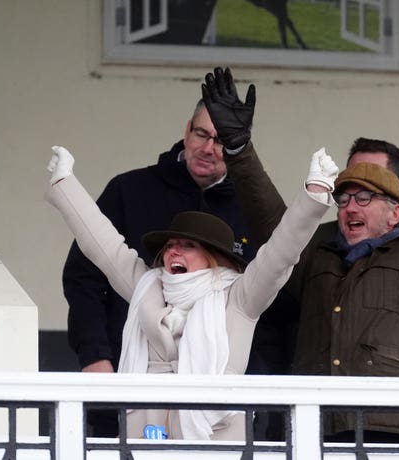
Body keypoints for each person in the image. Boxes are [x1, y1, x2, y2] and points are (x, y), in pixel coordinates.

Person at [213, 46, 399, 443]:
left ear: (394, 210)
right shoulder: (317, 251)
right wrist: (238, 149)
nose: (351, 206)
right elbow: (275, 227)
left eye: (365, 198)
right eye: (345, 197)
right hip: (315, 425)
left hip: (394, 431)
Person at [45, 144, 338, 440]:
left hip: (216, 435)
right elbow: (103, 244)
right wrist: (64, 183)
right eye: (170, 246)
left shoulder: (238, 295)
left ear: (214, 257)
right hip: (147, 434)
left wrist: (314, 194)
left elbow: (281, 252)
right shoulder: (148, 287)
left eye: (188, 246)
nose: (174, 252)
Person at [61, 85, 285, 436]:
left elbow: (275, 293)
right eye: (201, 133)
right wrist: (94, 356)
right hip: (126, 381)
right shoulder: (130, 190)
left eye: (222, 139)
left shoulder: (252, 208)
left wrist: (258, 379)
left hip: (223, 404)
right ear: (186, 131)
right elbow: (84, 277)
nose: (209, 148)